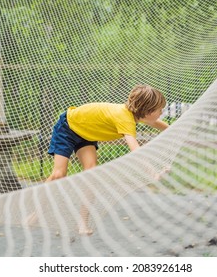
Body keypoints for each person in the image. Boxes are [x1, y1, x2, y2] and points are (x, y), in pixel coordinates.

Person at [46, 84, 169, 234]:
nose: (162, 112)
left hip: (86, 135)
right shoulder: (125, 118)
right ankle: (37, 208)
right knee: (59, 174)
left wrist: (173, 130)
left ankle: (82, 224)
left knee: (91, 174)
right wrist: (153, 172)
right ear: (147, 111)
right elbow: (136, 151)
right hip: (68, 127)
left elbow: (155, 123)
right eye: (159, 109)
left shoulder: (133, 114)